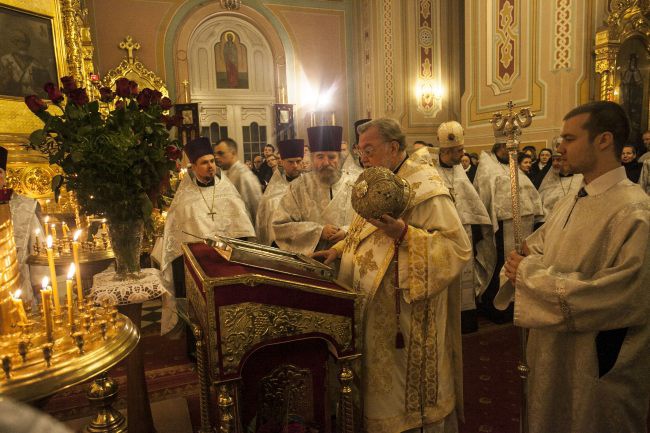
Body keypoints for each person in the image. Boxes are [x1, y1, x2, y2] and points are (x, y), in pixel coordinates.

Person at [498, 101, 650, 433]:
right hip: (552, 350)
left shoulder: (634, 211)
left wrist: (528, 273)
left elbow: (619, 294)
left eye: (568, 138)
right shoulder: (573, 197)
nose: (559, 148)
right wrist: (520, 260)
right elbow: (538, 245)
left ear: (604, 140)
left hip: (594, 359)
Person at [313, 118, 471, 433]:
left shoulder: (426, 188)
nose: (364, 158)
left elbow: (456, 248)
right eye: (361, 151)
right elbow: (365, 232)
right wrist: (340, 249)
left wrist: (405, 234)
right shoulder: (378, 181)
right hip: (371, 307)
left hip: (406, 313)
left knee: (401, 396)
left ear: (393, 148)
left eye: (369, 149)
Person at [156, 137, 255, 333]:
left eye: (212, 161)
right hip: (198, 271)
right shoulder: (184, 201)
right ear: (193, 167)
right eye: (204, 162)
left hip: (228, 267)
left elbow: (243, 231)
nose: (210, 166)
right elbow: (175, 243)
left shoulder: (228, 192)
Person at [431, 121, 496, 333]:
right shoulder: (431, 172)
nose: (462, 153)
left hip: (464, 233)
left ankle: (465, 323)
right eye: (459, 150)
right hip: (442, 236)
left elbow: (471, 201)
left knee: (465, 282)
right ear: (447, 150)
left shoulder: (460, 171)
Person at [473, 133, 543, 322]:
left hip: (524, 222)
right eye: (504, 147)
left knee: (522, 260)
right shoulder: (487, 167)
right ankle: (497, 307)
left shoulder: (515, 167)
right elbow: (485, 194)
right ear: (497, 148)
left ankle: (518, 304)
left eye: (512, 147)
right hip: (502, 226)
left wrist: (535, 210)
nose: (509, 150)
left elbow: (529, 191)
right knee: (501, 264)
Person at [272, 125, 356, 255]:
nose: (326, 162)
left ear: (339, 158)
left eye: (332, 157)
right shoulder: (297, 187)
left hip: (349, 257)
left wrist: (346, 231)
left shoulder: (355, 184)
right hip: (313, 261)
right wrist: (318, 232)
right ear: (312, 158)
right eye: (320, 157)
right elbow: (280, 226)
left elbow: (369, 223)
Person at [0, 146, 46, 306]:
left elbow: (37, 249)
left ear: (3, 176)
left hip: (20, 290)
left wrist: (41, 289)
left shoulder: (25, 207)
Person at [255, 139, 303, 246]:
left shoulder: (309, 187)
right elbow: (264, 219)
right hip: (278, 244)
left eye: (298, 161)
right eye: (290, 162)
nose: (295, 165)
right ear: (282, 162)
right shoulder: (273, 191)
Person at [214, 138, 262, 225]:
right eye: (216, 154)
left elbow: (257, 207)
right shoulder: (228, 173)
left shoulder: (244, 175)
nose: (216, 157)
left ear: (233, 153)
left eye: (221, 153)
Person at [0, 28, 52, 97]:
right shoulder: (4, 60)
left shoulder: (37, 64)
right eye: (19, 41)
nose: (23, 44)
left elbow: (47, 87)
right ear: (14, 43)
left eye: (25, 41)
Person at [538, 148, 583, 217]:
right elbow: (541, 205)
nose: (555, 163)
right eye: (553, 160)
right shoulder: (549, 180)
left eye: (559, 160)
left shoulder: (580, 179)